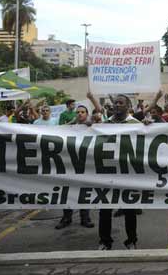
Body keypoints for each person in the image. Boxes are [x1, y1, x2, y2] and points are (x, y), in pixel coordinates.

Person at [98, 94, 140, 250]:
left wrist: (149, 126)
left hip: (127, 174)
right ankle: (105, 241)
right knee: (105, 210)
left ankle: (131, 240)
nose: (117, 105)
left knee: (129, 210)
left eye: (120, 103)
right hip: (108, 174)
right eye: (115, 103)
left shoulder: (136, 124)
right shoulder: (104, 125)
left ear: (128, 106)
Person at [55, 105, 94, 229]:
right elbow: (56, 130)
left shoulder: (93, 127)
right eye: (78, 112)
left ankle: (85, 217)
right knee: (67, 191)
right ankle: (66, 217)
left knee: (84, 191)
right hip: (70, 165)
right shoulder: (70, 128)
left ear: (87, 114)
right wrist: (73, 122)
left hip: (86, 165)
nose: (80, 114)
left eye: (83, 112)